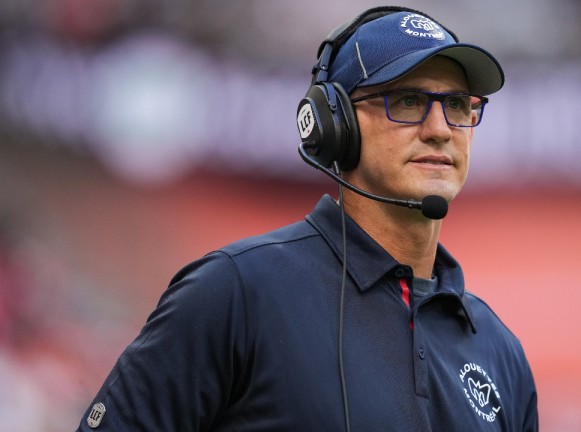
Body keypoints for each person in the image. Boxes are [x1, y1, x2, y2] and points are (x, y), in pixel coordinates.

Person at [78, 7, 538, 432]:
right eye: (409, 101)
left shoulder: (501, 351)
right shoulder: (235, 292)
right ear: (335, 125)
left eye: (457, 105)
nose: (440, 129)